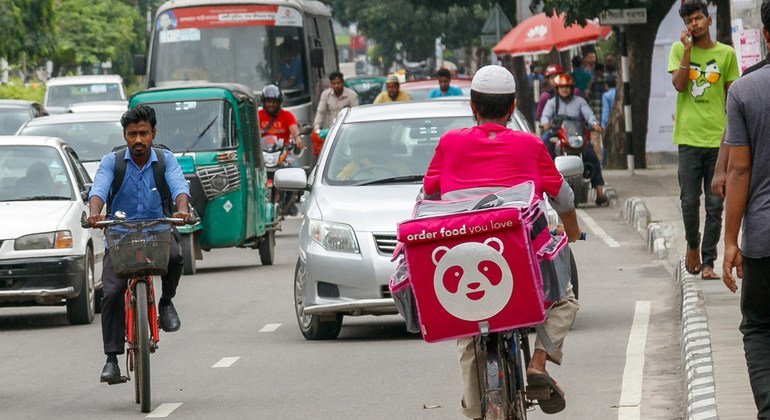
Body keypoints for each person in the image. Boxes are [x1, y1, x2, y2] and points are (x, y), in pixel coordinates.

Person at [423, 64, 581, 418]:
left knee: (468, 330)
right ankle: (539, 363)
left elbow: (428, 191)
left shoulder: (450, 143)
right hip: (518, 261)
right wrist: (571, 232)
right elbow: (565, 199)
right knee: (564, 298)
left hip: (463, 263)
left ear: (472, 107)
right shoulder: (529, 144)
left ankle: (477, 406)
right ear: (512, 107)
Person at [87, 105, 191, 383]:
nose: (138, 140)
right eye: (132, 134)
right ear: (125, 135)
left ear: (153, 133)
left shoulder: (166, 159)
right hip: (120, 237)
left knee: (175, 256)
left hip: (158, 232)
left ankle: (166, 302)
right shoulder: (113, 162)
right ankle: (112, 359)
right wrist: (95, 212)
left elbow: (180, 187)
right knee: (110, 292)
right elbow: (98, 189)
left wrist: (182, 209)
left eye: (143, 133)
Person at [722, 3, 770, 416]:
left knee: (758, 327)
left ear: (765, 36)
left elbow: (739, 169)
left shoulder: (744, 91)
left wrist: (729, 241)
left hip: (763, 240)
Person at [668, 0, 738, 278]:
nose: (694, 24)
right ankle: (693, 245)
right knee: (688, 200)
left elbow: (733, 97)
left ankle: (709, 261)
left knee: (714, 203)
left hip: (719, 140)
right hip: (688, 138)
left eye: (698, 19)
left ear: (708, 20)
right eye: (689, 21)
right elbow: (679, 85)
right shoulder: (677, 49)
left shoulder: (726, 54)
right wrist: (686, 51)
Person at [540, 74, 609, 206]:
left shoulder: (580, 102)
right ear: (557, 89)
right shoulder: (552, 103)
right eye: (562, 87)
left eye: (567, 87)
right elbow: (545, 117)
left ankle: (599, 193)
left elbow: (589, 115)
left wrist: (594, 124)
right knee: (544, 148)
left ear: (572, 88)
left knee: (592, 155)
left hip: (576, 136)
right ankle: (545, 187)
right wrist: (545, 123)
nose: (565, 89)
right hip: (558, 134)